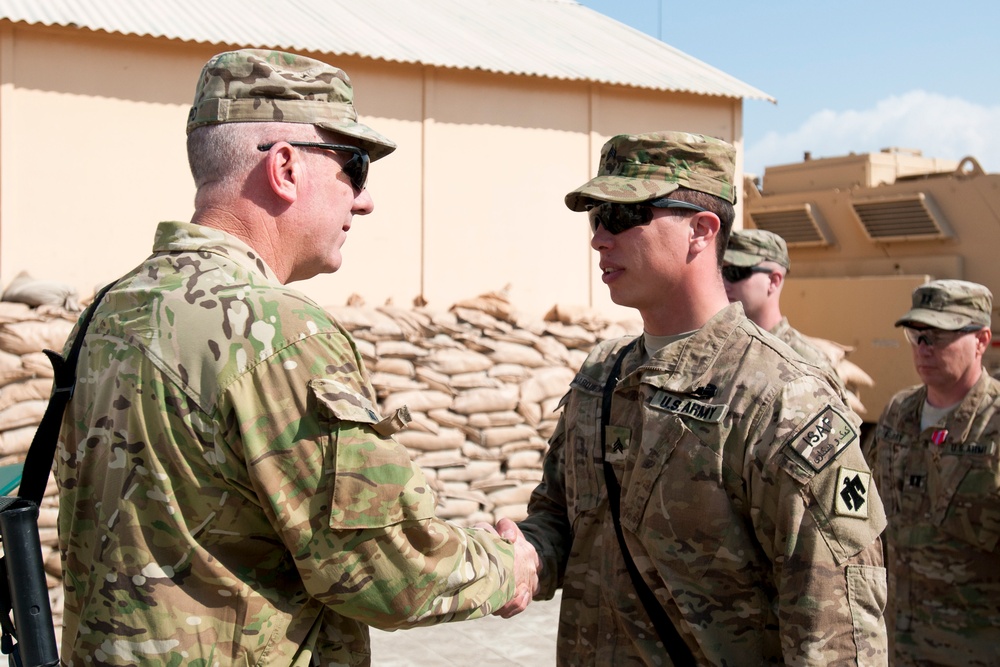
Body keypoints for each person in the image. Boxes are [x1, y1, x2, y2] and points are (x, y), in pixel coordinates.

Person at [55, 48, 536, 666]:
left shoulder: (109, 311)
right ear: (284, 167)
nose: (363, 202)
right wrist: (507, 566)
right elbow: (386, 572)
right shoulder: (277, 331)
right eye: (354, 168)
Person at [513, 131, 888, 665]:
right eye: (596, 217)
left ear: (701, 229)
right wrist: (523, 554)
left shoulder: (781, 396)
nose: (599, 238)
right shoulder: (602, 374)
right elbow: (561, 518)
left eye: (623, 216)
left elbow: (836, 627)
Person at [864, 279, 1000, 666]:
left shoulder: (994, 424)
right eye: (917, 335)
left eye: (940, 335)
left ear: (981, 340)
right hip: (896, 643)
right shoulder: (898, 412)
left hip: (975, 647)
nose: (924, 347)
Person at [722, 228, 848, 395]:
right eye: (719, 272)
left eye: (734, 273)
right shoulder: (718, 345)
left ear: (773, 281)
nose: (723, 283)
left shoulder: (808, 362)